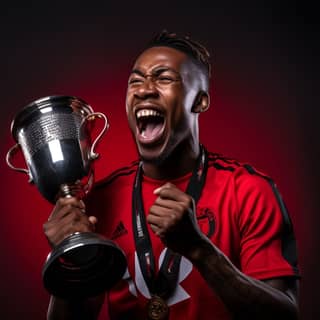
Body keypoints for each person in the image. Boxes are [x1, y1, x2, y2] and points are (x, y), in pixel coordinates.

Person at [44, 30, 300, 319]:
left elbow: (285, 315)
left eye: (164, 78)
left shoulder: (249, 190)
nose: (144, 90)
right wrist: (69, 256)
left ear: (200, 101)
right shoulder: (100, 199)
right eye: (135, 81)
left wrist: (200, 250)